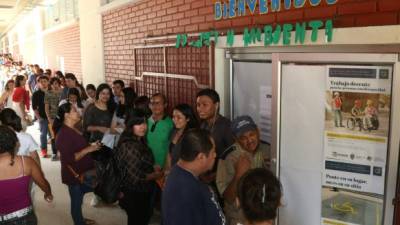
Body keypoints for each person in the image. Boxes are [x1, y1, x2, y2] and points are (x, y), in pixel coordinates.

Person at [162, 129, 226, 225]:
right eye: (213, 151)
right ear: (201, 157)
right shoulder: (185, 190)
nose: (215, 155)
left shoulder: (183, 174)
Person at [216, 115, 270, 225]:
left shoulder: (268, 150)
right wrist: (239, 175)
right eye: (243, 138)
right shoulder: (228, 158)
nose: (249, 140)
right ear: (235, 139)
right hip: (240, 219)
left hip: (263, 216)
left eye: (252, 134)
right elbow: (227, 196)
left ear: (258, 131)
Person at [114, 109, 163, 225]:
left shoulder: (137, 139)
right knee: (138, 219)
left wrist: (152, 166)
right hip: (135, 192)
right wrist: (156, 175)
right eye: (138, 123)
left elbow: (139, 162)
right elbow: (135, 178)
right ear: (130, 125)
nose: (143, 127)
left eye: (145, 122)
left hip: (137, 190)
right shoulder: (131, 146)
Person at [54, 103, 101, 225]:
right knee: (76, 202)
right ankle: (79, 222)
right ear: (67, 115)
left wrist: (91, 146)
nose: (78, 111)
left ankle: (80, 220)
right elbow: (70, 158)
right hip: (74, 174)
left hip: (83, 171)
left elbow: (78, 147)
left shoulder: (73, 128)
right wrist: (88, 149)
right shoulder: (63, 134)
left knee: (79, 197)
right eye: (74, 110)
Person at [0, 125, 53, 225]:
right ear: (15, 143)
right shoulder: (26, 162)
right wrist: (48, 193)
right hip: (24, 216)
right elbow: (43, 183)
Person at [165, 103, 198, 170]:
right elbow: (169, 152)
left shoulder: (192, 135)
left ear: (188, 118)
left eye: (179, 117)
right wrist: (168, 169)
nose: (175, 120)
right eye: (173, 117)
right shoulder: (173, 131)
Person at [146, 93, 174, 169]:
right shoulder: (144, 122)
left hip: (163, 166)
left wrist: (166, 167)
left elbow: (172, 148)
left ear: (165, 105)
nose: (155, 106)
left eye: (158, 103)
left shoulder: (171, 124)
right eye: (152, 103)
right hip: (147, 164)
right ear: (149, 106)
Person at [45, 77, 63, 160]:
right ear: (51, 85)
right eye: (53, 84)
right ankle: (54, 153)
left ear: (59, 84)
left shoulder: (63, 92)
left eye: (56, 83)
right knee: (53, 136)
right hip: (52, 117)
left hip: (63, 117)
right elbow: (46, 107)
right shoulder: (48, 93)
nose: (55, 85)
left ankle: (63, 152)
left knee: (63, 135)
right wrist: (49, 118)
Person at [32, 76, 50, 158]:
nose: (43, 83)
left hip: (53, 117)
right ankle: (44, 150)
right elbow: (34, 107)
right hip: (43, 117)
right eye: (41, 82)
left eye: (45, 81)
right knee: (43, 134)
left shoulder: (51, 92)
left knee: (54, 134)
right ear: (38, 83)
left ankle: (56, 151)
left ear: (48, 82)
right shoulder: (36, 94)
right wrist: (39, 117)